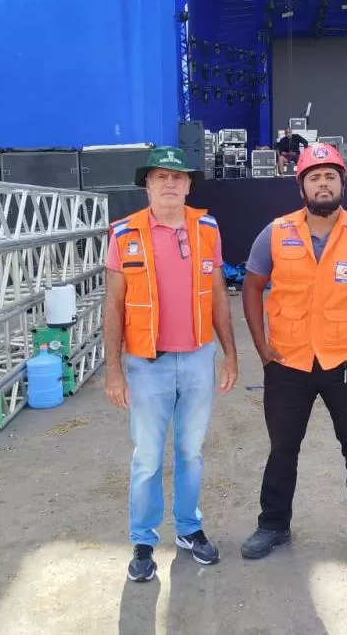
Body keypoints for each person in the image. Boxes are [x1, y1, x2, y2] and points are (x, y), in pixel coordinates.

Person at [238, 143, 347, 575]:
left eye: (330, 176)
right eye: (314, 177)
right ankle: (273, 525)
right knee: (282, 450)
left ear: (342, 184)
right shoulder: (275, 233)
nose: (323, 183)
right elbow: (251, 287)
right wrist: (261, 346)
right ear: (302, 187)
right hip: (288, 365)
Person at [103, 146, 239, 583]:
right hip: (147, 365)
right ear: (147, 184)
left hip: (198, 359)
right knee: (147, 458)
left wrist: (230, 354)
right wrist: (113, 371)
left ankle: (188, 527)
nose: (169, 183)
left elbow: (218, 295)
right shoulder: (124, 234)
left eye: (177, 177)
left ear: (188, 186)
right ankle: (143, 540)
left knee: (190, 452)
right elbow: (113, 305)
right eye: (160, 176)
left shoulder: (206, 229)